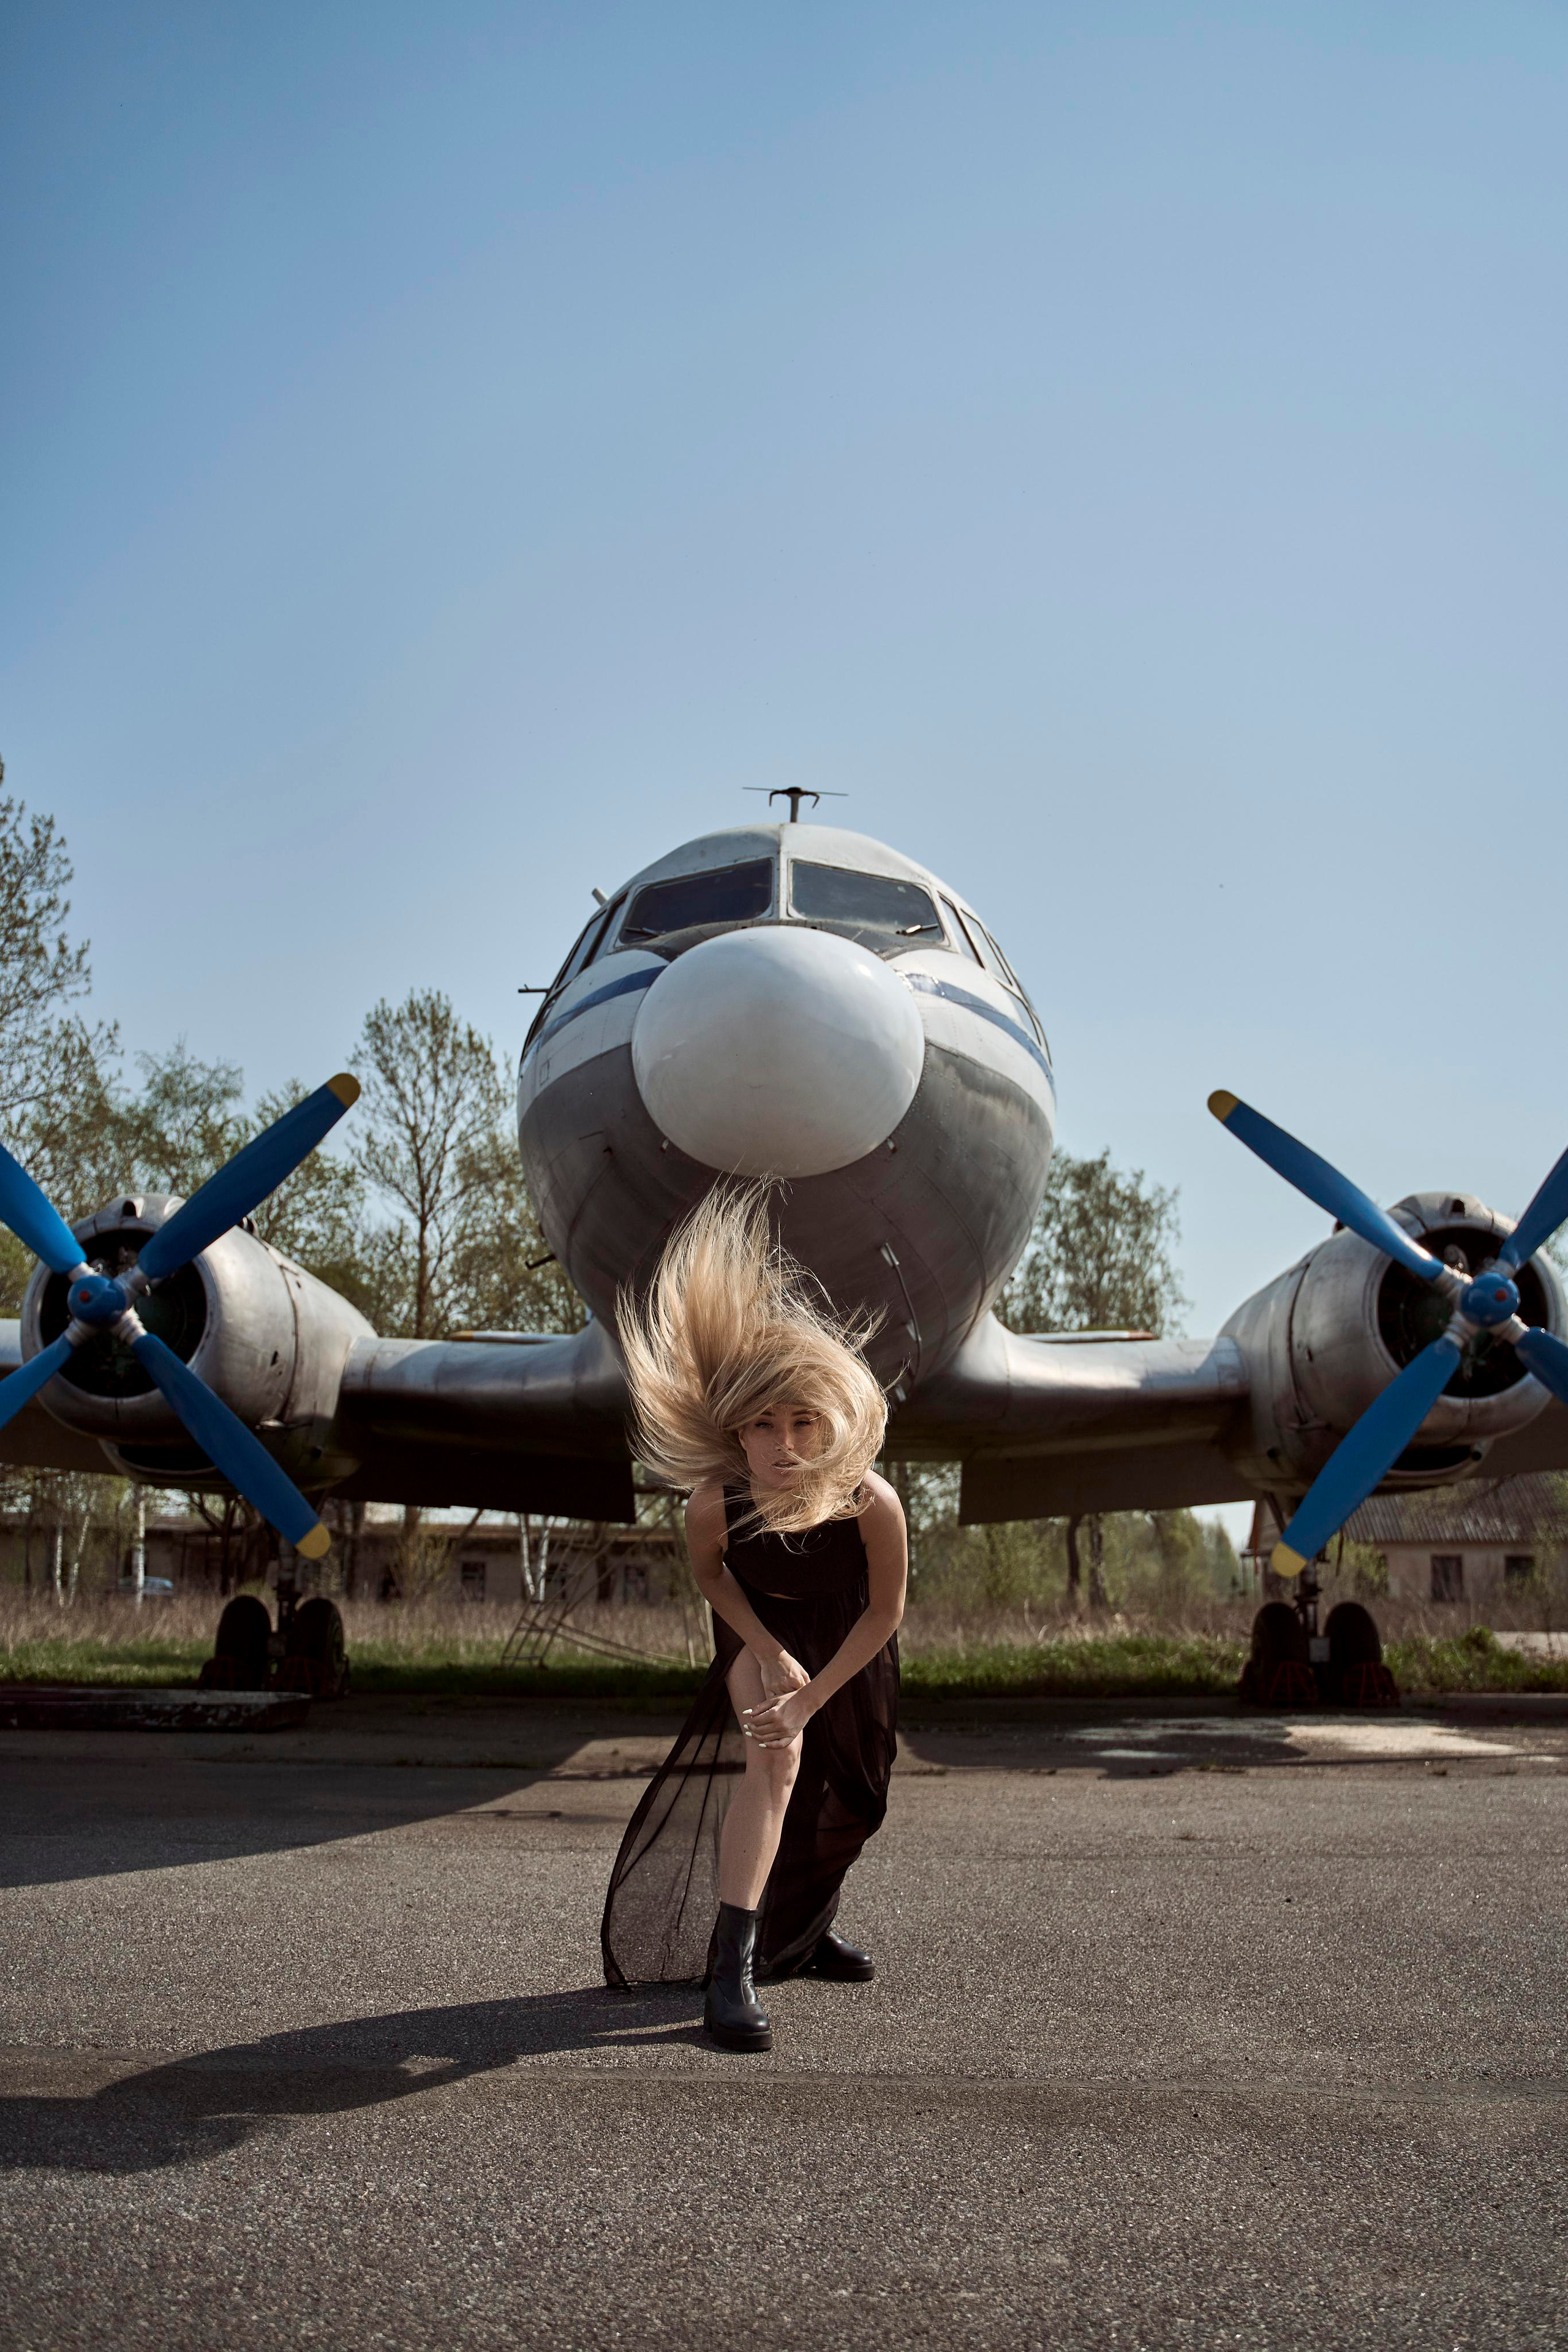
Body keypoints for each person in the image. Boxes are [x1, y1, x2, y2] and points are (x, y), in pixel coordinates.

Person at [600, 1183, 907, 2052]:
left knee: (854, 1797)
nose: (784, 1444)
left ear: (832, 1421)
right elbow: (712, 1579)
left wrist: (817, 1692)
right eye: (762, 1425)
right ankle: (729, 1969)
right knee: (776, 1764)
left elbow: (886, 1611)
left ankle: (800, 1937)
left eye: (803, 1421)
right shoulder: (714, 1500)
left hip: (851, 1642)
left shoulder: (871, 1504)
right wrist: (769, 1654)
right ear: (734, 1430)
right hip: (758, 1629)